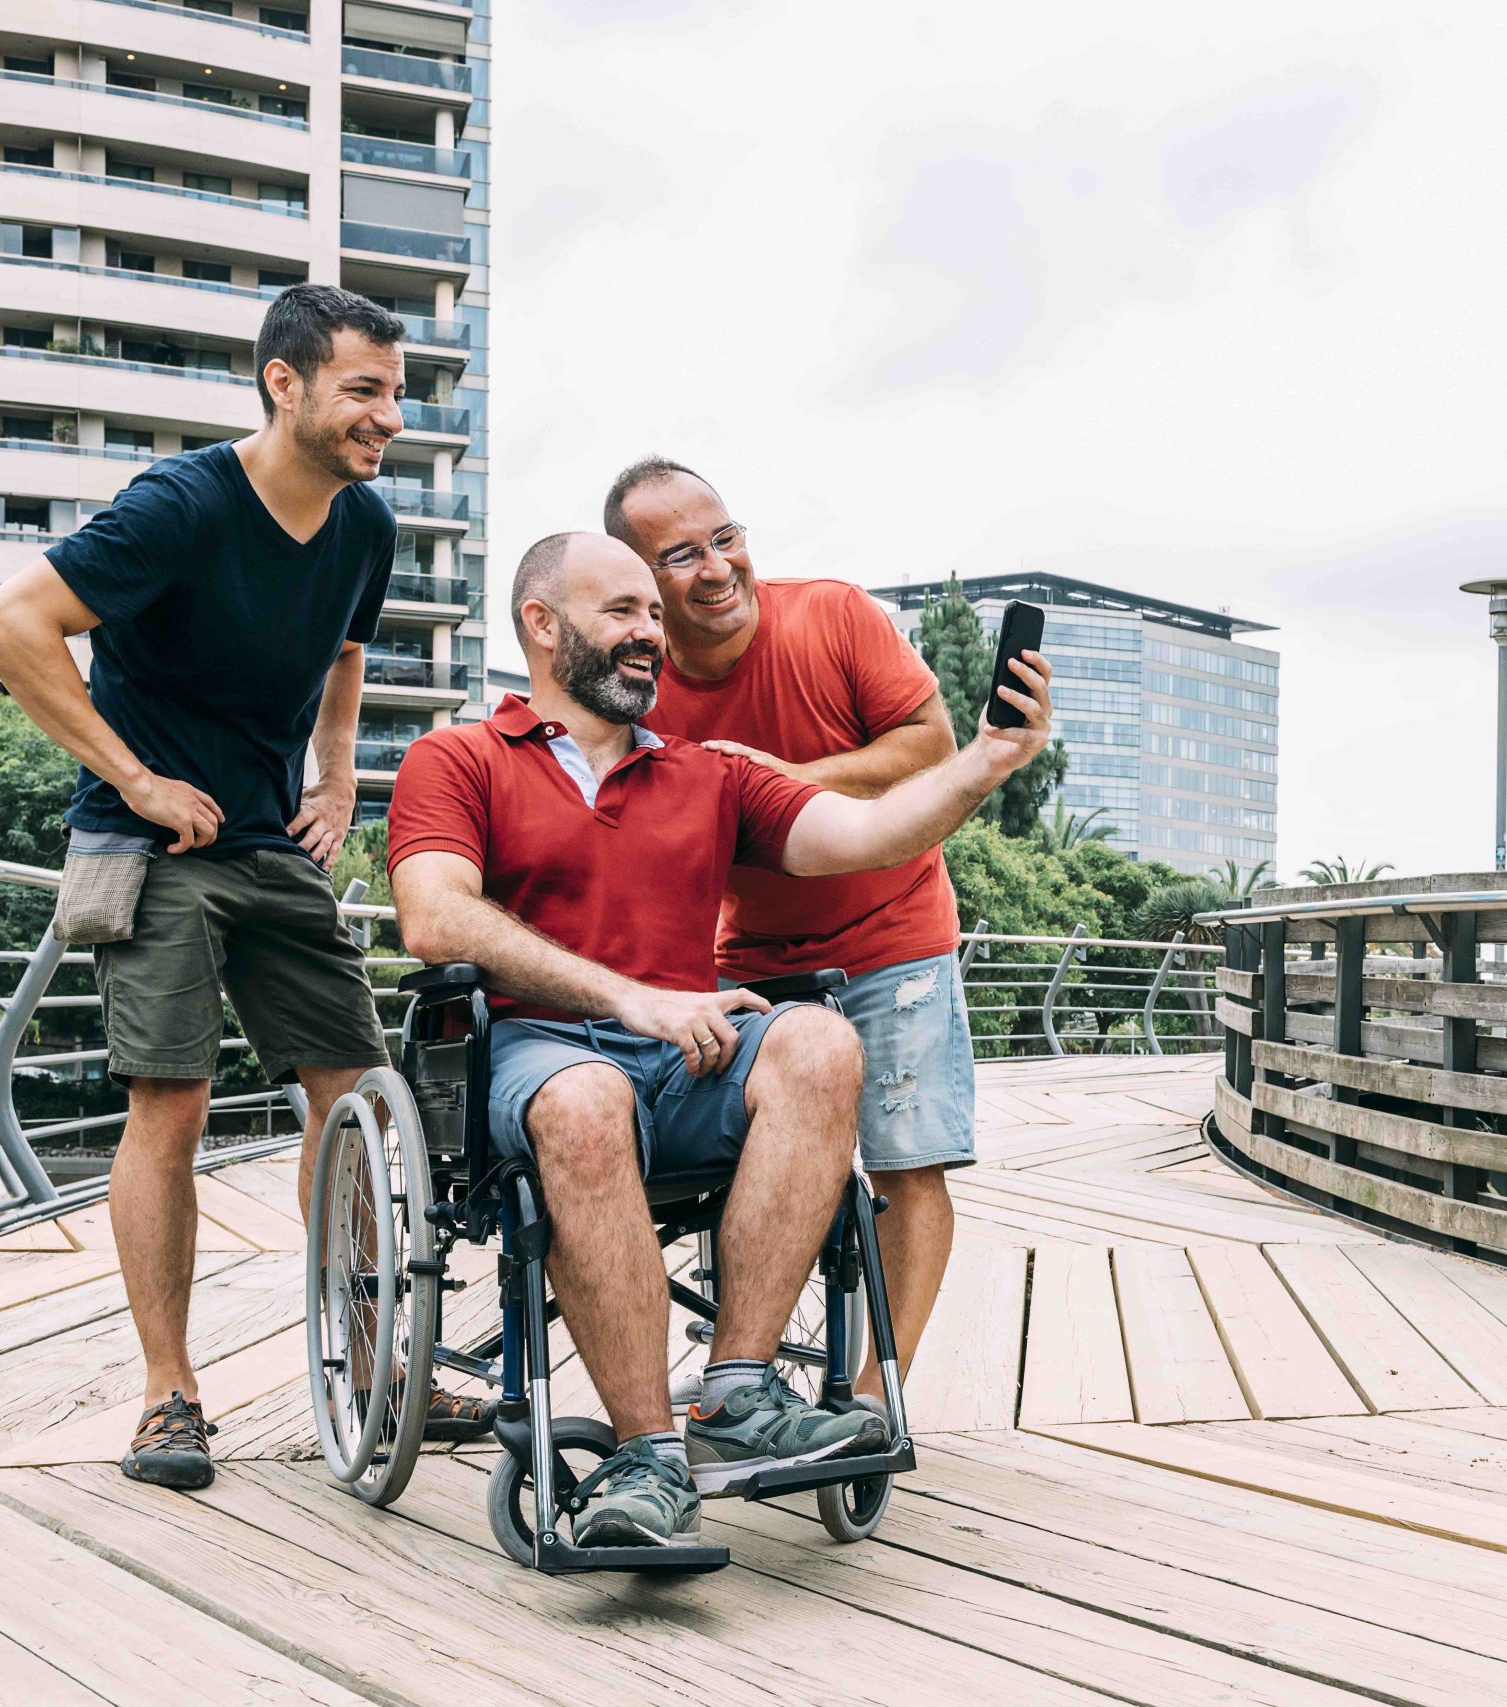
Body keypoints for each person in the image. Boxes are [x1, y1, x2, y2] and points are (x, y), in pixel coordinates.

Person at [385, 530, 1053, 1548]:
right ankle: (645, 1456)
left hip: (685, 1058)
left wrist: (986, 762)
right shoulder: (460, 758)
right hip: (539, 1056)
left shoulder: (709, 776)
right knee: (583, 1099)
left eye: (654, 614)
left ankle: (736, 1393)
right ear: (540, 624)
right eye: (622, 612)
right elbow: (433, 916)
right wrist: (627, 997)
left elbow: (866, 835)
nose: (652, 632)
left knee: (820, 1043)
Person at [0, 284, 467, 1492]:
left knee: (355, 1096)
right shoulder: (181, 507)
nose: (388, 417)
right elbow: (9, 626)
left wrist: (338, 781)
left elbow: (347, 650)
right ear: (283, 383)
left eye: (396, 394)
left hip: (270, 843)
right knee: (173, 1104)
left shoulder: (366, 523)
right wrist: (134, 779)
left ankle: (369, 1356)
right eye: (364, 390)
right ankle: (169, 1397)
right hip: (152, 848)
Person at [603, 459, 971, 1416]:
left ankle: (871, 1393)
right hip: (754, 958)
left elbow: (930, 747)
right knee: (735, 1163)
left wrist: (782, 772)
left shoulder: (833, 615)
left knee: (906, 1164)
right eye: (682, 555)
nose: (719, 568)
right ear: (642, 581)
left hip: (897, 934)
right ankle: (744, 1365)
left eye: (726, 537)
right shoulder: (638, 688)